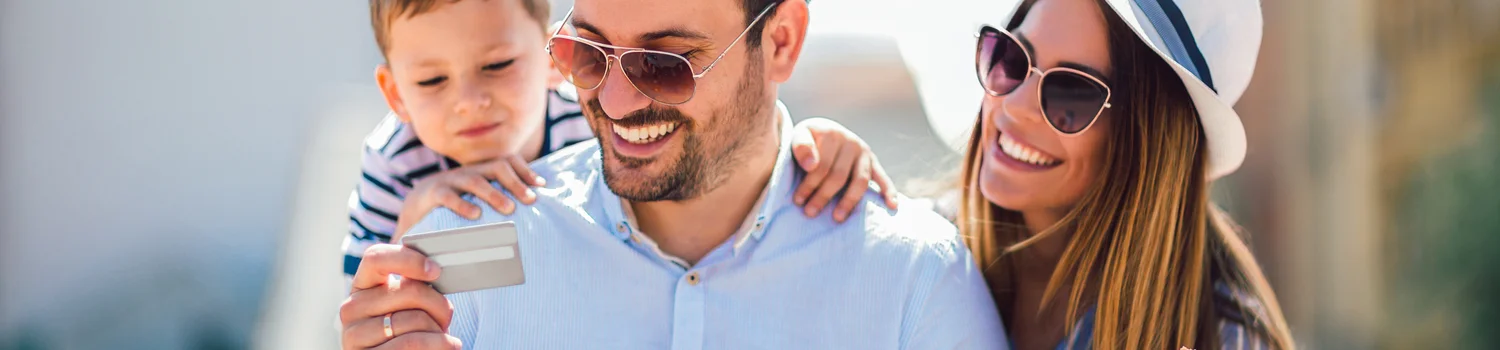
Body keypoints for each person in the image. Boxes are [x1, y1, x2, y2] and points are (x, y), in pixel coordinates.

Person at [337, 0, 1006, 349]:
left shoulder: (911, 277)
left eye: (667, 64)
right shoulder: (477, 243)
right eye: (590, 55)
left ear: (781, 43)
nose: (617, 102)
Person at [342, 0, 901, 280]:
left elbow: (739, 130)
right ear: (396, 94)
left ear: (546, 60)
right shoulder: (394, 165)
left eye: (663, 64)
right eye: (591, 54)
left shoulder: (571, 126)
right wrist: (423, 233)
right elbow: (378, 296)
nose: (469, 100)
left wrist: (804, 146)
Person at [908, 0, 1296, 348]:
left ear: (1146, 144)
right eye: (1011, 56)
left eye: (1071, 92)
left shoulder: (1224, 339)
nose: (1015, 105)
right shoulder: (913, 256)